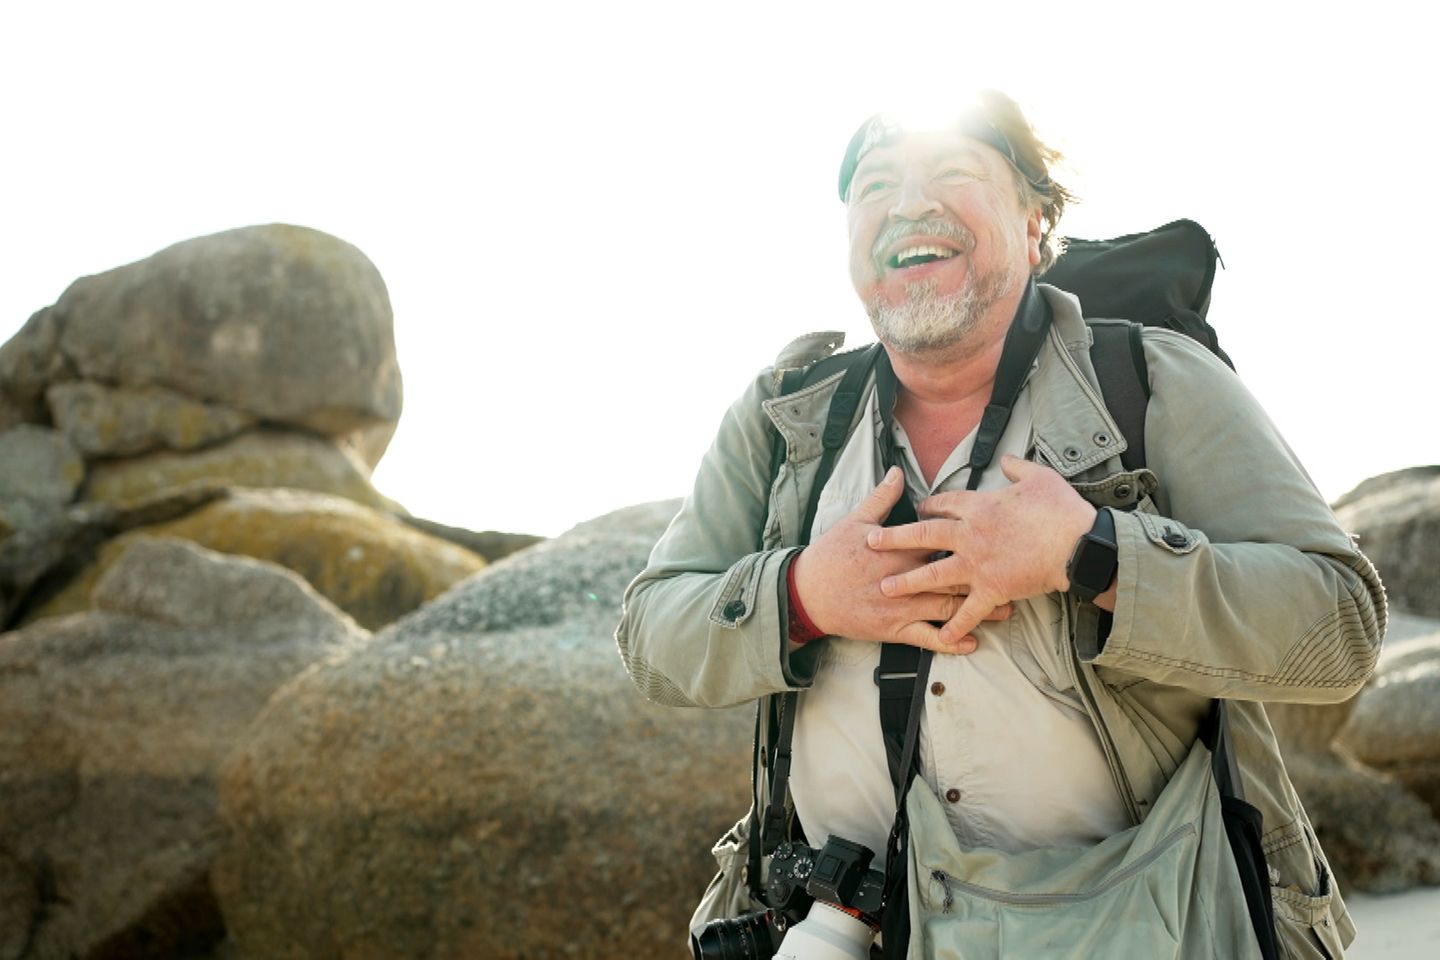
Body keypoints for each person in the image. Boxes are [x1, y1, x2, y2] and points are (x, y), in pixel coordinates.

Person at [615, 89, 1386, 958]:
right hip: (834, 931)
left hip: (1135, 925)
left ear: (1034, 223)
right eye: (875, 186)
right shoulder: (781, 416)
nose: (909, 204)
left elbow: (1340, 626)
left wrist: (1092, 555)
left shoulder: (1154, 381)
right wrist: (800, 595)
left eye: (953, 171)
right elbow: (652, 636)